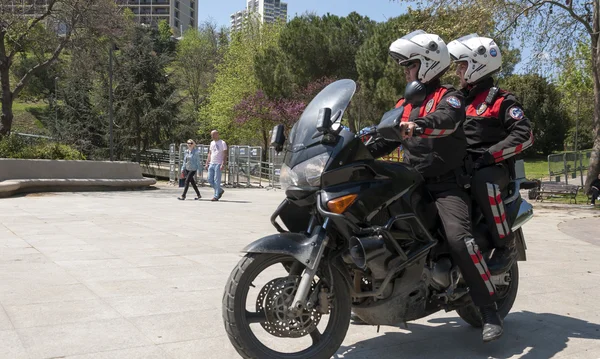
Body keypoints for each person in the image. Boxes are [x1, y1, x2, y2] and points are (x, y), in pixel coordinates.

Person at [367, 30, 502, 342]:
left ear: (428, 64)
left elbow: (448, 119)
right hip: (410, 182)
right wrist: (356, 147)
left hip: (446, 185)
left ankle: (489, 308)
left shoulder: (450, 97)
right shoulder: (405, 101)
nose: (406, 71)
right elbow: (385, 138)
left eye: (409, 65)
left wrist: (420, 125)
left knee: (458, 239)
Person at [447, 35, 534, 274]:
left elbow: (525, 134)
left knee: (483, 182)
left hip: (492, 168)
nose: (458, 72)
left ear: (478, 65)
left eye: (462, 66)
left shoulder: (501, 101)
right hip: (459, 166)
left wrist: (489, 156)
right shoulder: (456, 100)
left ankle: (505, 246)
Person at [205, 130, 228, 201]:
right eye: (211, 135)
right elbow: (210, 153)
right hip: (212, 163)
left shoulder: (223, 143)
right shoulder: (212, 143)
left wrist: (223, 164)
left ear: (217, 134)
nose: (212, 136)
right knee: (209, 179)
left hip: (218, 163)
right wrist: (207, 162)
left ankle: (216, 196)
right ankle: (220, 190)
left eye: (213, 135)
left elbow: (225, 154)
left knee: (216, 180)